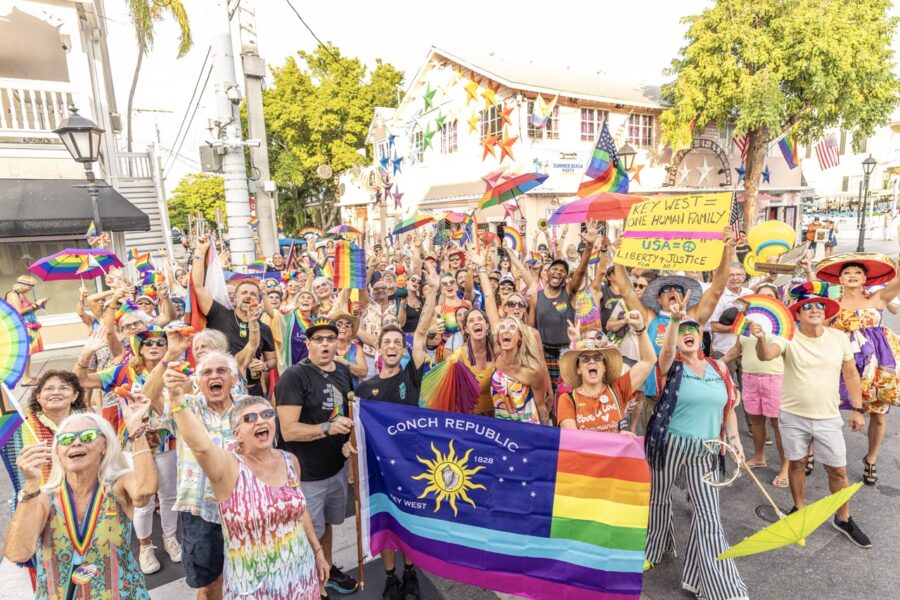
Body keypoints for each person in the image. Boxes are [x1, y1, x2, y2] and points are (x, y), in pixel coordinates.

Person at [164, 368, 329, 600]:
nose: (260, 421)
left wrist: (318, 551)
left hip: (299, 576)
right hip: (252, 586)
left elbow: (300, 510)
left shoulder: (289, 461)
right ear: (236, 433)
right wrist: (176, 398)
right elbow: (200, 447)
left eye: (266, 415)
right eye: (249, 418)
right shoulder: (228, 468)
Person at [751, 284, 871, 547]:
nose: (814, 309)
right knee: (796, 464)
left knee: (837, 470)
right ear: (798, 314)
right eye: (807, 306)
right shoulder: (788, 337)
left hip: (828, 416)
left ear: (826, 312)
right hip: (793, 416)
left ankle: (843, 518)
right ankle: (799, 508)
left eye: (819, 306)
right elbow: (765, 355)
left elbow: (850, 374)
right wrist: (760, 337)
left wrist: (858, 409)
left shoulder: (839, 338)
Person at [643, 296, 748, 600]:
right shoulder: (671, 367)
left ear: (702, 336)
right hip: (669, 444)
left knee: (709, 515)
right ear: (677, 339)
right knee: (659, 498)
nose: (689, 333)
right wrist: (675, 320)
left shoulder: (719, 368)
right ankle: (655, 547)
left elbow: (728, 408)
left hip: (707, 450)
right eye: (683, 330)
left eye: (694, 328)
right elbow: (663, 355)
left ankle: (720, 587)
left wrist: (734, 439)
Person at [3, 399, 158, 599]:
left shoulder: (117, 486)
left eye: (87, 436)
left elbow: (145, 490)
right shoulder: (41, 498)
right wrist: (31, 485)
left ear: (104, 445)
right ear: (58, 451)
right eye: (66, 439)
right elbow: (17, 554)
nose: (76, 443)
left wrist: (136, 431)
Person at [355, 266, 439, 600]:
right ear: (379, 349)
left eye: (396, 342)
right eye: (386, 341)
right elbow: (359, 434)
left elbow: (420, 333)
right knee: (387, 520)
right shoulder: (366, 389)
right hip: (380, 467)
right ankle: (390, 577)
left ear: (402, 350)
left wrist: (432, 291)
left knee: (409, 519)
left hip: (412, 461)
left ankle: (410, 572)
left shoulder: (411, 375)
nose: (392, 345)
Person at [75, 325, 183, 573]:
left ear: (168, 346)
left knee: (169, 496)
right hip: (134, 443)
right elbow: (82, 381)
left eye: (160, 343)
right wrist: (86, 355)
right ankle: (145, 547)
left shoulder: (176, 370)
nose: (154, 347)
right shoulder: (124, 372)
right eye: (148, 343)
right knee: (142, 498)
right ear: (139, 348)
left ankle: (169, 538)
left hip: (167, 441)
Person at [615, 230, 734, 432]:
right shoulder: (650, 316)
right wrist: (619, 255)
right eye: (666, 291)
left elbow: (716, 289)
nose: (672, 292)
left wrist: (726, 250)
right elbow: (626, 290)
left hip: (689, 397)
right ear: (659, 299)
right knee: (655, 452)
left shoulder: (694, 316)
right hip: (656, 397)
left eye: (678, 290)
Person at [275, 318, 359, 596]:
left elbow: (345, 415)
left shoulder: (343, 372)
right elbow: (288, 431)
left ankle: (327, 568)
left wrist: (347, 443)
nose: (325, 344)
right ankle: (312, 585)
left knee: (327, 527)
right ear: (308, 343)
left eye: (330, 338)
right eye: (318, 339)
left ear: (338, 343)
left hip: (334, 468)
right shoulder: (294, 377)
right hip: (306, 475)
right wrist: (326, 428)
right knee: (306, 535)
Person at [815, 254, 900, 485]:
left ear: (865, 279)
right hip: (841, 363)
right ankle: (810, 450)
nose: (852, 276)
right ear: (840, 279)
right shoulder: (831, 306)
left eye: (858, 273)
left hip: (874, 366)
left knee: (879, 416)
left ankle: (871, 458)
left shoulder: (879, 298)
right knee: (821, 409)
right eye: (847, 273)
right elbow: (816, 333)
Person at [192, 237, 277, 396]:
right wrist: (200, 252)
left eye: (253, 294)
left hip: (253, 390)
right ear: (235, 298)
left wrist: (264, 365)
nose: (248, 296)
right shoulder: (219, 314)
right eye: (243, 292)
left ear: (258, 300)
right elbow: (197, 286)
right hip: (220, 388)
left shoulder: (264, 328)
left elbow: (272, 359)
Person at [529, 221, 600, 394]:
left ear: (565, 278)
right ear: (547, 273)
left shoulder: (569, 292)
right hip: (543, 354)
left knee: (567, 395)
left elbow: (581, 272)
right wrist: (532, 356)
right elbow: (531, 330)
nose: (558, 272)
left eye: (563, 271)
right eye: (555, 268)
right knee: (546, 395)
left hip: (566, 353)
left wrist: (589, 246)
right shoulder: (535, 297)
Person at [557, 310, 656, 433]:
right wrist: (617, 436)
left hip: (616, 453)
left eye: (598, 358)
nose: (592, 362)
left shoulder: (619, 389)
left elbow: (648, 361)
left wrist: (640, 330)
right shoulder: (567, 400)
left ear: (604, 366)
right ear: (578, 369)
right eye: (585, 359)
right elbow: (575, 441)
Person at [491, 317, 548, 424]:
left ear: (520, 337)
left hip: (527, 430)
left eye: (512, 327)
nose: (506, 330)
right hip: (502, 428)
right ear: (498, 337)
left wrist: (546, 437)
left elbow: (541, 406)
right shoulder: (498, 361)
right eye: (502, 327)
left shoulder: (533, 370)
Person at [5, 275, 47, 385]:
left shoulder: (22, 295)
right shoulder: (13, 294)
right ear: (24, 285)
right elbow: (19, 311)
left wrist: (39, 306)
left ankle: (27, 376)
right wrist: (34, 305)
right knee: (25, 352)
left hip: (29, 326)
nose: (31, 289)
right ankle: (25, 379)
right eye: (31, 286)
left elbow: (28, 311)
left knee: (28, 353)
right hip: (21, 327)